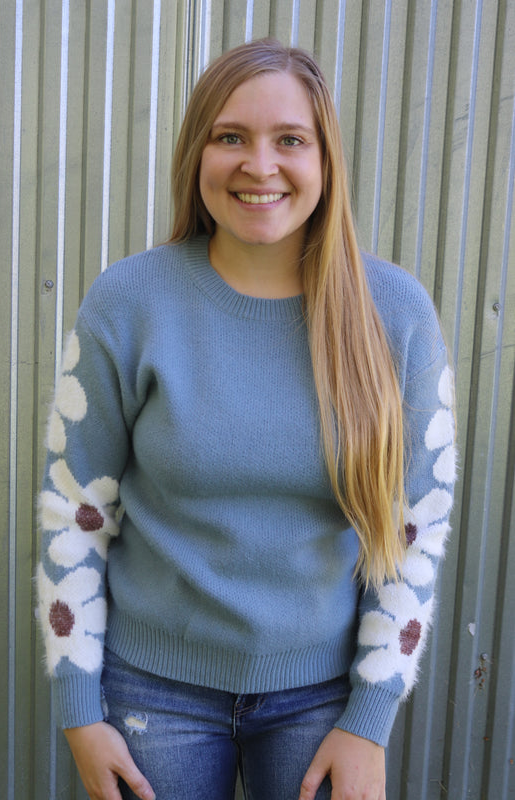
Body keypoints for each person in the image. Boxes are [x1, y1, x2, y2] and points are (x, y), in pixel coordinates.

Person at [37, 38, 456, 800]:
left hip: (324, 698)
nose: (258, 165)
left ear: (324, 159)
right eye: (229, 136)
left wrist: (368, 719)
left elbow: (412, 532)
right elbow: (76, 511)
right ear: (197, 154)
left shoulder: (394, 315)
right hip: (151, 698)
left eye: (289, 140)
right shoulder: (128, 303)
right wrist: (77, 711)